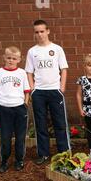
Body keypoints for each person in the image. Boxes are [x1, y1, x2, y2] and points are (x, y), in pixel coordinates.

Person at [25, 19, 70, 165]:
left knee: (60, 123)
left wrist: (61, 88)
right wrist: (32, 90)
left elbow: (63, 69)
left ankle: (64, 153)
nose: (39, 34)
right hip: (39, 93)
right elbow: (29, 72)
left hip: (55, 91)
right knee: (40, 124)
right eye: (36, 32)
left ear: (48, 31)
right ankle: (43, 154)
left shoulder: (57, 49)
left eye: (42, 31)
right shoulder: (32, 51)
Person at [0, 46, 30, 173]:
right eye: (8, 58)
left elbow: (27, 90)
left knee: (20, 137)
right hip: (5, 109)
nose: (11, 60)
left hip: (19, 108)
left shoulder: (22, 73)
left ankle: (19, 160)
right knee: (5, 137)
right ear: (4, 58)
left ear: (19, 59)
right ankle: (4, 162)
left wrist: (25, 103)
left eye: (14, 58)